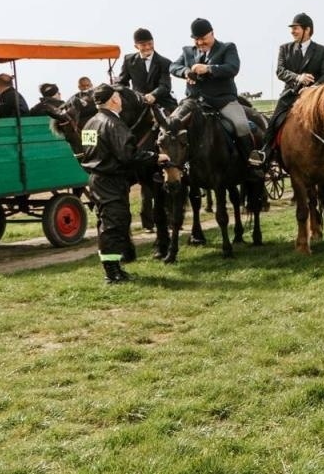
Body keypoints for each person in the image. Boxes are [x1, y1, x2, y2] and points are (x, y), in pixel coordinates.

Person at [79, 84, 161, 284]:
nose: (122, 100)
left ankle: (114, 268)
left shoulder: (89, 123)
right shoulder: (114, 124)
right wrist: (156, 157)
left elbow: (88, 151)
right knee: (113, 223)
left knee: (106, 222)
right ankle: (112, 273)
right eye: (119, 96)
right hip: (111, 179)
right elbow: (128, 155)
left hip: (96, 179)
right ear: (114, 100)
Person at [170, 18, 257, 164]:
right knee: (169, 125)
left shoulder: (227, 48)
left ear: (212, 33)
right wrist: (185, 71)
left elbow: (232, 68)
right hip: (194, 101)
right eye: (196, 40)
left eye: (203, 38)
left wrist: (209, 69)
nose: (200, 43)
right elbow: (173, 67)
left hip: (222, 101)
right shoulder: (187, 51)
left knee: (241, 125)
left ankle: (253, 165)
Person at [257, 12, 324, 167]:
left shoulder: (322, 51)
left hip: (315, 97)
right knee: (275, 121)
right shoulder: (284, 49)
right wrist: (298, 78)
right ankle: (266, 151)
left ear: (307, 30)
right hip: (290, 94)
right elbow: (280, 71)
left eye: (296, 28)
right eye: (292, 28)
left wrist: (313, 89)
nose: (292, 31)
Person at [115, 27, 177, 113]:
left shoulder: (165, 62)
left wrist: (153, 95)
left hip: (161, 101)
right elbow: (122, 82)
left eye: (150, 43)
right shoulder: (128, 60)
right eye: (143, 45)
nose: (148, 47)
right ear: (136, 46)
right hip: (138, 102)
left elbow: (165, 85)